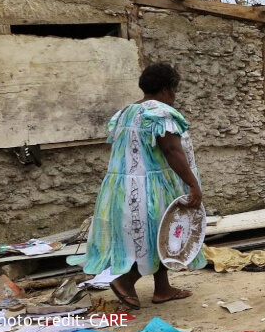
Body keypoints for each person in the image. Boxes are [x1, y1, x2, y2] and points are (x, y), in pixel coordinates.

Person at [68, 63, 205, 310]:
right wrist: (193, 185)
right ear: (166, 89)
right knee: (155, 235)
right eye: (175, 89)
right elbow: (172, 150)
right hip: (151, 188)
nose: (175, 95)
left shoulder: (127, 112)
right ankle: (126, 280)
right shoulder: (161, 114)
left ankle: (163, 289)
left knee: (159, 233)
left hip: (122, 188)